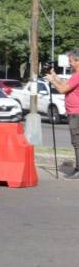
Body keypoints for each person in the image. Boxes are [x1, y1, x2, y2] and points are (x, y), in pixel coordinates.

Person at [46, 50, 79, 179]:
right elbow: (66, 85)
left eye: (71, 61)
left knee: (77, 142)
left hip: (76, 113)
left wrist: (51, 81)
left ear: (77, 60)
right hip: (74, 112)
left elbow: (62, 89)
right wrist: (54, 75)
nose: (69, 64)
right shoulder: (75, 75)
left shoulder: (77, 75)